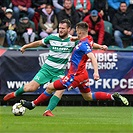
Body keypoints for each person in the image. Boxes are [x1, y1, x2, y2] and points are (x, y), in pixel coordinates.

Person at [20, 21, 129, 117]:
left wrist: (96, 73)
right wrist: (100, 46)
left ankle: (32, 104)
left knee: (50, 87)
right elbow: (85, 42)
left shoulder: (83, 44)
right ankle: (112, 97)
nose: (75, 34)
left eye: (77, 32)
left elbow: (92, 57)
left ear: (80, 32)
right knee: (88, 97)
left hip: (74, 76)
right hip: (83, 74)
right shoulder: (88, 39)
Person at [3, 19, 109, 117]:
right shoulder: (52, 37)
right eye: (59, 28)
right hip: (47, 69)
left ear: (68, 29)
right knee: (31, 88)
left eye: (63, 28)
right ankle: (14, 94)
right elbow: (39, 42)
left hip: (59, 71)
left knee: (60, 91)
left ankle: (48, 111)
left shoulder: (73, 40)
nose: (60, 30)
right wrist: (26, 46)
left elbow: (87, 43)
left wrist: (100, 46)